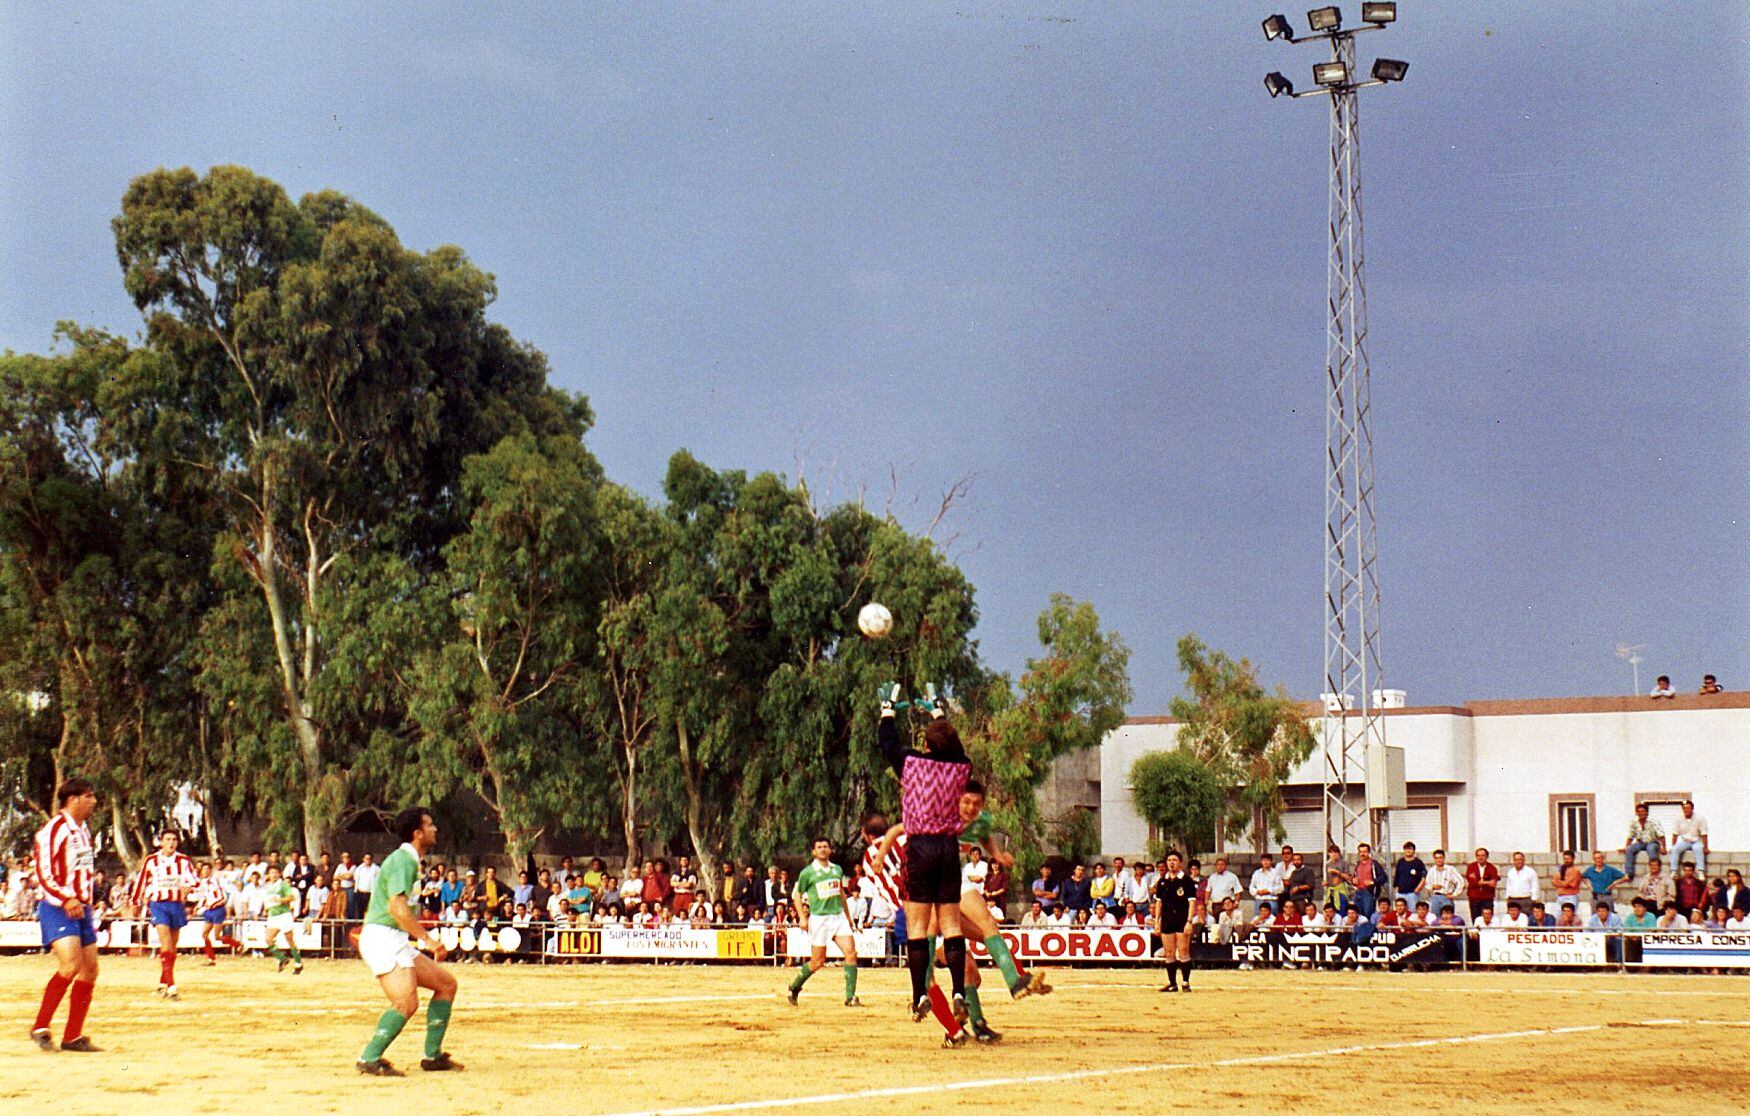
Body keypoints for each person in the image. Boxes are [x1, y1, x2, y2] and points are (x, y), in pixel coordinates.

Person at [876, 682, 974, 1025]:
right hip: (948, 848)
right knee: (950, 924)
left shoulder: (912, 763)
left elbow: (886, 743)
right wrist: (937, 711)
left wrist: (888, 710)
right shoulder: (963, 767)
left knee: (918, 927)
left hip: (919, 847)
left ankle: (919, 994)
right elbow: (953, 745)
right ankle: (959, 989)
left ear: (926, 744)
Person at [356, 806, 461, 1076]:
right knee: (405, 1003)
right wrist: (428, 940)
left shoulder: (409, 860)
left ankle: (432, 1056)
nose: (435, 829)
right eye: (430, 825)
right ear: (417, 833)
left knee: (446, 985)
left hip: (394, 937)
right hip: (383, 938)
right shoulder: (403, 860)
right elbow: (397, 909)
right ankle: (369, 1057)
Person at [30, 778, 102, 1053]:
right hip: (57, 906)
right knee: (71, 965)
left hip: (81, 907)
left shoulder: (83, 831)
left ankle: (72, 1036)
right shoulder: (53, 830)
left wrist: (87, 899)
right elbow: (43, 874)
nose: (94, 801)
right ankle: (40, 1026)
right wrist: (66, 898)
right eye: (90, 795)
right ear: (73, 799)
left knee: (90, 970)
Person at [787, 838, 860, 1007]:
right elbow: (797, 896)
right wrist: (802, 917)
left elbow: (841, 892)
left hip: (838, 916)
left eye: (825, 846)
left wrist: (848, 916)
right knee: (817, 961)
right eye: (819, 847)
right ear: (813, 851)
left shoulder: (836, 869)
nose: (822, 849)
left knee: (851, 952)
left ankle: (850, 997)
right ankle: (795, 986)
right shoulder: (808, 872)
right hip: (820, 919)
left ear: (830, 850)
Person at [128, 829, 200, 1000]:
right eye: (167, 839)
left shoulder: (183, 860)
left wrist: (189, 887)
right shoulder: (151, 861)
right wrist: (135, 902)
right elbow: (141, 882)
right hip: (158, 905)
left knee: (172, 947)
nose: (171, 843)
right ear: (161, 842)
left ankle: (163, 980)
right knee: (166, 944)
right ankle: (171, 986)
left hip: (176, 905)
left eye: (174, 839)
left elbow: (195, 879)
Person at [1152, 851, 1196, 993]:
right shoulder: (1162, 882)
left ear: (1180, 862)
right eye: (1169, 860)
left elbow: (1192, 903)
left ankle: (1185, 982)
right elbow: (1159, 903)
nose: (1171, 863)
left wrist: (1189, 921)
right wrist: (1157, 921)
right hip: (1167, 920)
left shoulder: (1187, 881)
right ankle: (1172, 984)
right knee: (1169, 952)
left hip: (1182, 920)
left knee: (1183, 950)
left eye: (1175, 860)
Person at [261, 865, 304, 975]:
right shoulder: (267, 886)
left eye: (276, 872)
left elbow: (291, 897)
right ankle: (282, 958)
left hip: (284, 915)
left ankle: (298, 964)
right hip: (273, 915)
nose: (274, 875)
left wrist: (280, 900)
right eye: (271, 872)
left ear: (279, 874)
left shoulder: (283, 885)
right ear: (268, 874)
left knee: (289, 940)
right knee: (268, 939)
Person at [1669, 800, 1709, 874]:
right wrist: (1673, 845)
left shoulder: (1700, 818)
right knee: (1675, 849)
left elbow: (1704, 834)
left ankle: (1700, 871)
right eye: (1684, 808)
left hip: (1696, 841)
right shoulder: (1678, 819)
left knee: (1698, 849)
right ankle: (1673, 871)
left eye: (1688, 808)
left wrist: (1706, 847)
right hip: (1685, 841)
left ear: (1692, 808)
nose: (1686, 810)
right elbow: (1675, 833)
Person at [1425, 849, 1463, 920]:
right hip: (1435, 897)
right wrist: (1432, 887)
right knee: (1435, 919)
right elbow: (1427, 885)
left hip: (1446, 897)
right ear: (1434, 859)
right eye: (1436, 858)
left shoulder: (1450, 869)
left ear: (1444, 858)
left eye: (1440, 858)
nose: (1438, 860)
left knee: (1448, 918)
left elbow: (1460, 882)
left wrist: (1454, 894)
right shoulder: (1431, 870)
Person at [1464, 848, 1499, 922]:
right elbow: (1471, 881)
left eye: (1483, 855)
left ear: (1487, 856)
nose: (1480, 857)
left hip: (1487, 898)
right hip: (1474, 897)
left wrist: (1480, 882)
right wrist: (1487, 882)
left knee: (1488, 919)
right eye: (1478, 855)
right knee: (1475, 919)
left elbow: (1493, 883)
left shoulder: (1492, 868)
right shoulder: (1471, 867)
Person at [1392, 843, 1427, 911]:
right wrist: (1396, 888)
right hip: (1401, 893)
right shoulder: (1400, 861)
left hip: (1412, 893)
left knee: (1412, 912)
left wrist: (1418, 888)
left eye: (1410, 849)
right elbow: (1397, 875)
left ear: (1414, 851)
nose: (1408, 851)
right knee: (1399, 912)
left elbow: (1424, 876)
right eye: (1406, 849)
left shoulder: (1418, 862)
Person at [1248, 853, 1283, 919]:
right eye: (1263, 860)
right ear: (1261, 861)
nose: (1265, 862)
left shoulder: (1276, 873)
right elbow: (1251, 887)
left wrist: (1268, 890)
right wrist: (1258, 892)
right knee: (1258, 921)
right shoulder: (1257, 873)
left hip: (1271, 901)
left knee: (1272, 921)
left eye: (1267, 860)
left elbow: (1280, 888)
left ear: (1271, 861)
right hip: (1259, 900)